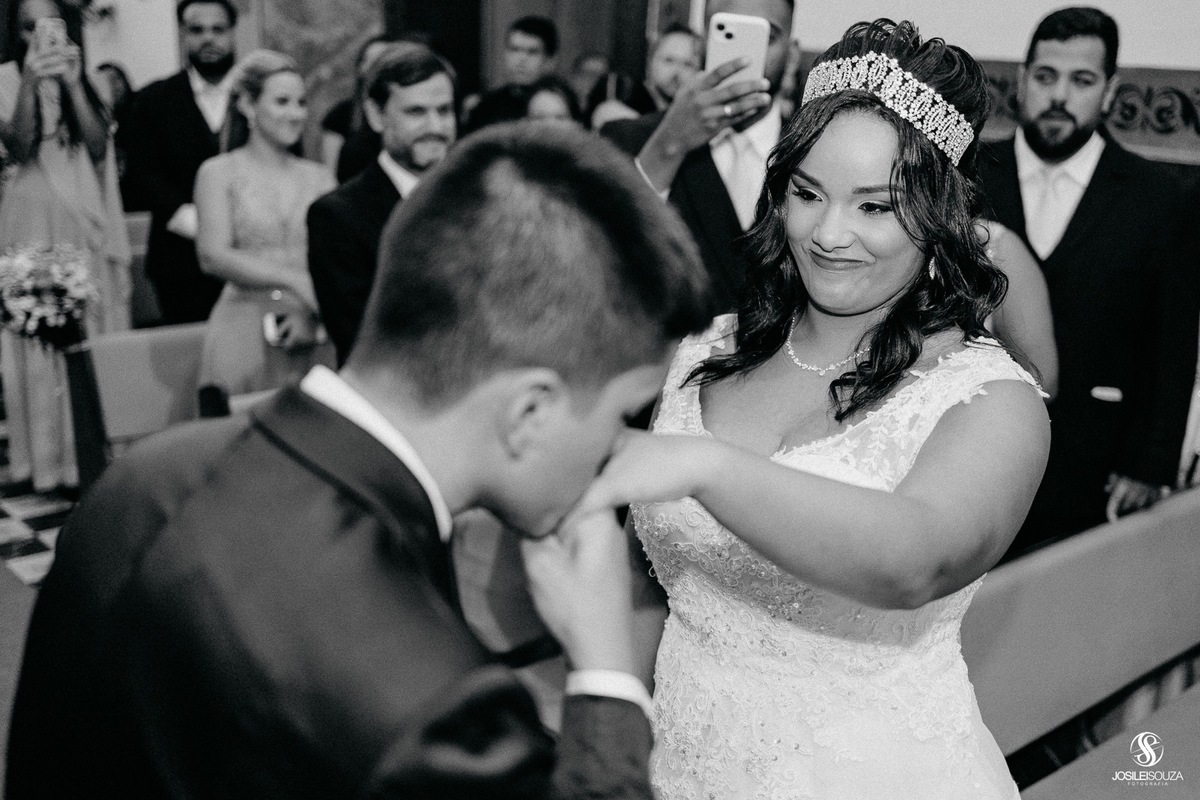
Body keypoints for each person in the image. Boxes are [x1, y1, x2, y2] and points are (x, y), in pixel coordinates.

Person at [5, 121, 715, 798]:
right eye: (622, 413)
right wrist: (605, 673)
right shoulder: (436, 712)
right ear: (529, 411)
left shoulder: (145, 473)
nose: (620, 446)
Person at [572, 19, 1051, 798]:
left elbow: (915, 561)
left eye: (875, 207)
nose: (829, 234)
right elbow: (644, 583)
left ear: (941, 215)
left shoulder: (990, 397)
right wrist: (611, 737)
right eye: (807, 193)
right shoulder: (703, 352)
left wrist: (704, 466)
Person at [976, 7, 1197, 557]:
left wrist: (1149, 463)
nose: (1059, 96)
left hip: (1096, 464)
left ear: (1110, 90)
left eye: (1081, 80)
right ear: (1022, 80)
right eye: (1045, 76)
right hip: (976, 451)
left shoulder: (1158, 198)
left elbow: (1171, 341)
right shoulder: (969, 177)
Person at [0, 0, 130, 491]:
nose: (39, 36)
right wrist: (31, 83)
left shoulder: (90, 80)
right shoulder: (3, 80)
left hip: (83, 219)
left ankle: (95, 454)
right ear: (15, 33)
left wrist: (74, 85)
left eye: (48, 25)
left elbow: (97, 148)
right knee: (36, 336)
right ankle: (48, 463)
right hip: (28, 222)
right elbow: (19, 146)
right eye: (28, 28)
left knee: (90, 329)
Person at [602, 0, 794, 313]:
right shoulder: (631, 139)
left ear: (792, 53)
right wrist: (669, 145)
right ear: (702, 45)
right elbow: (601, 261)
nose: (746, 58)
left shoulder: (810, 151)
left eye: (766, 37)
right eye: (729, 33)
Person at [193, 50, 334, 414]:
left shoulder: (320, 177)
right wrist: (295, 280)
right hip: (243, 324)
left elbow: (334, 258)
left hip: (311, 323)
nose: (296, 113)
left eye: (302, 103)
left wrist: (312, 311)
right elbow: (212, 255)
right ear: (248, 105)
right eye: (282, 102)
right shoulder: (218, 172)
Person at [308, 43, 456, 365]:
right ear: (376, 116)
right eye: (416, 112)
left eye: (444, 111)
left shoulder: (477, 200)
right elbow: (360, 340)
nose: (435, 127)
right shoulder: (338, 216)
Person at [120, 0, 242, 324]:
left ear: (233, 32)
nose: (208, 38)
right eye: (197, 30)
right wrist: (195, 222)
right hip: (180, 262)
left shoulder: (259, 95)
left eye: (218, 29)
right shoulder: (153, 100)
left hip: (254, 253)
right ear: (183, 35)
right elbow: (142, 174)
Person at [461, 15, 557, 134]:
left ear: (549, 60)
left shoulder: (561, 108)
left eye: (532, 52)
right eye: (515, 49)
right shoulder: (486, 107)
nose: (521, 59)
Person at [319, 34, 391, 176]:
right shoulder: (341, 114)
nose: (376, 66)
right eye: (370, 60)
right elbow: (328, 173)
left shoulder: (402, 112)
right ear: (360, 67)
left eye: (383, 59)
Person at [645, 24, 702, 110]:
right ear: (650, 61)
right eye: (669, 60)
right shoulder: (626, 113)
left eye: (687, 64)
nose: (676, 71)